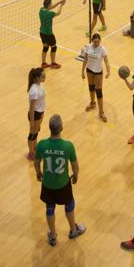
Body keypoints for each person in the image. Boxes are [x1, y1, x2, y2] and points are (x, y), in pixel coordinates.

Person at [34, 114, 85, 247]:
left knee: (49, 208)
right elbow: (75, 167)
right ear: (61, 128)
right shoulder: (68, 146)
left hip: (47, 184)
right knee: (69, 204)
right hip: (63, 184)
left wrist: (38, 173)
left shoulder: (42, 145)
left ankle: (52, 234)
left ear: (49, 128)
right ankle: (73, 230)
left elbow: (36, 161)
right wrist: (75, 175)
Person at [81, 33, 110, 122]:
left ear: (100, 41)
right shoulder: (88, 47)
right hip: (89, 70)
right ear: (92, 41)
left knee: (99, 91)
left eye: (98, 42)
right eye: (95, 42)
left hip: (98, 72)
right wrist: (82, 71)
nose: (96, 43)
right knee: (91, 88)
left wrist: (108, 71)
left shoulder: (102, 49)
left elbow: (106, 61)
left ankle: (101, 112)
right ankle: (93, 103)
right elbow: (85, 59)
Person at [39, 0, 66, 69]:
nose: (52, 4)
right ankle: (53, 63)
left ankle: (43, 63)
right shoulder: (50, 13)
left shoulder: (41, 10)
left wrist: (59, 1)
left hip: (42, 33)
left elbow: (50, 8)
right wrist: (61, 5)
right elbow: (58, 13)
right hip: (49, 34)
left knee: (45, 47)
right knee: (54, 47)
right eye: (51, 3)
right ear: (49, 5)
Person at [27, 67, 46, 160]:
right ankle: (31, 152)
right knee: (32, 134)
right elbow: (31, 108)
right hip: (35, 114)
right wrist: (32, 121)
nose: (44, 77)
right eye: (42, 76)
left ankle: (35, 146)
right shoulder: (34, 90)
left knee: (37, 131)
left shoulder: (40, 85)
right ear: (36, 78)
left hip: (40, 112)